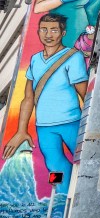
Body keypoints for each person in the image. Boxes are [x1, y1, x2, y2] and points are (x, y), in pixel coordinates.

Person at [2, 14, 88, 195]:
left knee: (85, 160)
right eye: (44, 29)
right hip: (44, 126)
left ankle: (83, 200)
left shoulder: (73, 57)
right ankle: (60, 201)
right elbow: (28, 97)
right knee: (54, 165)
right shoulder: (34, 59)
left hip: (72, 121)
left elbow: (85, 93)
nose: (48, 34)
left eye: (54, 30)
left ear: (63, 33)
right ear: (38, 31)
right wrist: (21, 130)